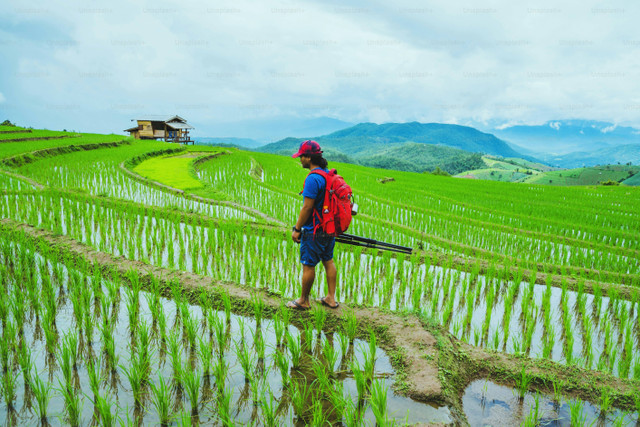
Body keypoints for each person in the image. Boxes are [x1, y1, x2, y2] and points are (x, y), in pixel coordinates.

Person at [287, 140, 339, 310]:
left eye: (301, 156)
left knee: (308, 265)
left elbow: (307, 207)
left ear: (309, 158)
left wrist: (297, 229)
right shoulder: (328, 175)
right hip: (329, 229)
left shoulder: (313, 178)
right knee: (328, 261)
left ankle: (303, 300)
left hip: (314, 230)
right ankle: (331, 298)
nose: (300, 159)